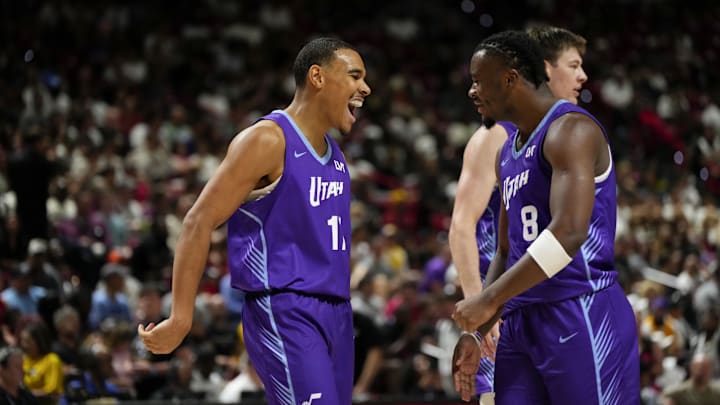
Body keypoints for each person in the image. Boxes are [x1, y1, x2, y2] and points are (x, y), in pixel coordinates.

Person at [138, 37, 371, 405]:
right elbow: (197, 221)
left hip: (337, 312)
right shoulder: (267, 139)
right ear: (317, 77)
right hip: (286, 308)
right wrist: (181, 317)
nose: (365, 88)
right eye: (355, 76)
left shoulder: (336, 155)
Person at [451, 30, 640, 404]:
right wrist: (479, 330)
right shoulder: (506, 152)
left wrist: (488, 301)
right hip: (521, 321)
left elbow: (568, 233)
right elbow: (506, 251)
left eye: (477, 81)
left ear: (509, 77)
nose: (472, 92)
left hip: (580, 309)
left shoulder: (571, 129)